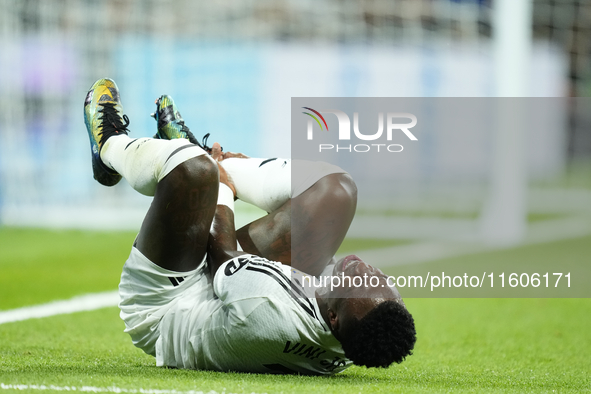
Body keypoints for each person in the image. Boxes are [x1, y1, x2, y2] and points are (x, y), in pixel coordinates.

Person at [83, 78, 416, 375]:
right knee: (337, 191)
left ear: (332, 319)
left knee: (194, 171)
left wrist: (220, 182)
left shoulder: (268, 305)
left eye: (357, 281)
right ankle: (206, 159)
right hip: (234, 293)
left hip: (173, 305)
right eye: (379, 279)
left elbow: (221, 253)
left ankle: (110, 147)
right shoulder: (358, 333)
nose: (363, 267)